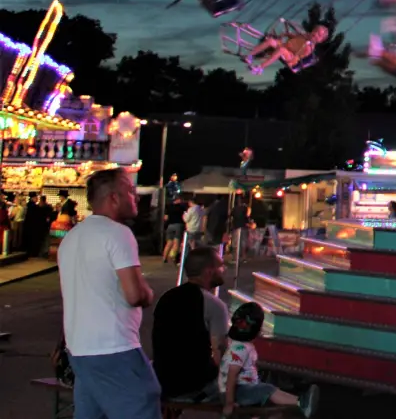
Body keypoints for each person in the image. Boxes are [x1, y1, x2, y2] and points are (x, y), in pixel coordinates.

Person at [57, 168, 160, 419]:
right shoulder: (117, 233)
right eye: (130, 191)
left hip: (80, 350)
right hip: (114, 348)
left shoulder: (71, 238)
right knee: (143, 403)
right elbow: (134, 295)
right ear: (114, 198)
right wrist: (148, 293)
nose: (134, 197)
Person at [151, 246, 231, 403]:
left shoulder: (166, 297)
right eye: (221, 265)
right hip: (194, 387)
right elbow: (220, 353)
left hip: (162, 382)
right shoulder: (214, 305)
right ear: (209, 271)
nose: (224, 269)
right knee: (252, 386)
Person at [219, 302, 319, 416]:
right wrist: (229, 403)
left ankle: (300, 400)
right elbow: (231, 375)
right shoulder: (241, 349)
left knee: (268, 387)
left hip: (241, 388)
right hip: (239, 392)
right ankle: (301, 403)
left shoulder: (239, 345)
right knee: (267, 389)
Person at [248, 24, 329, 74]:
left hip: (291, 57)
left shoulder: (309, 47)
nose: (315, 34)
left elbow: (297, 56)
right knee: (270, 41)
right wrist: (287, 34)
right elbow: (295, 37)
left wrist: (287, 50)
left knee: (281, 50)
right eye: (315, 31)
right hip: (285, 46)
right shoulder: (306, 35)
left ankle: (260, 68)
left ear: (320, 40)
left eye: (319, 35)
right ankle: (249, 56)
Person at [162, 197, 187, 263]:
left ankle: (164, 258)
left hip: (170, 226)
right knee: (176, 243)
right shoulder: (182, 207)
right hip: (178, 225)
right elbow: (185, 217)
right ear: (179, 200)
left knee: (169, 243)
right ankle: (173, 257)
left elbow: (165, 218)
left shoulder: (169, 207)